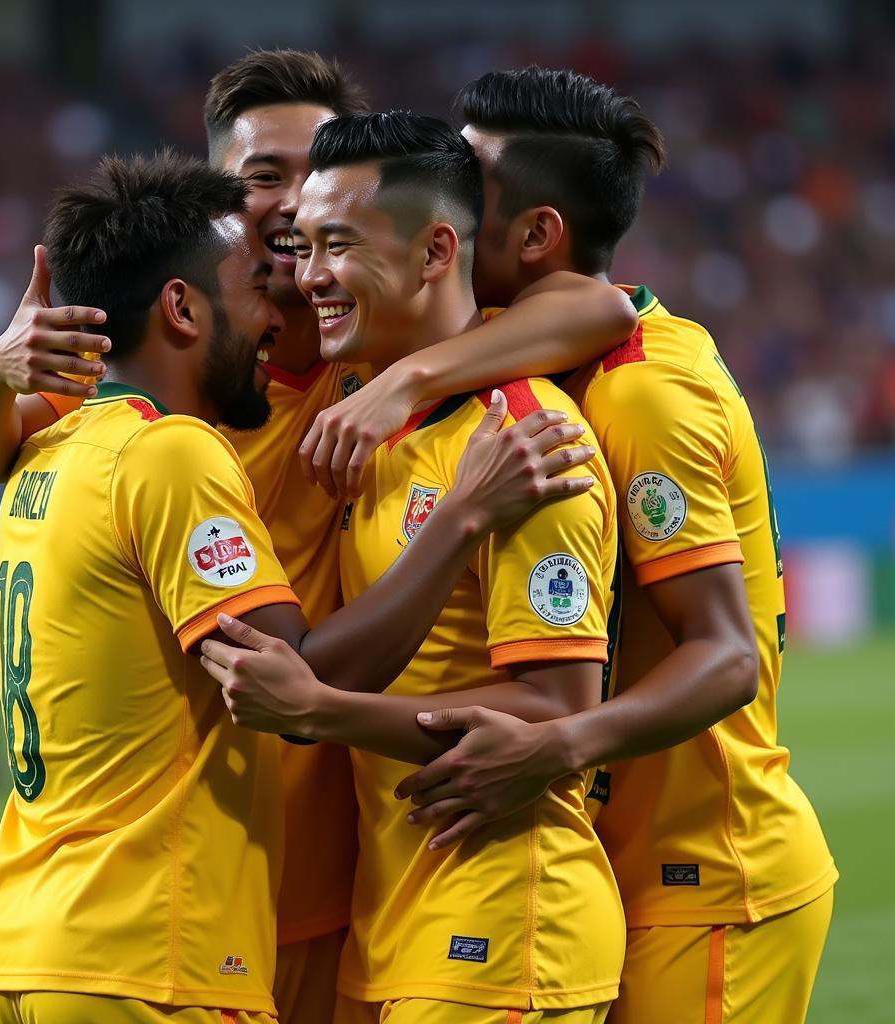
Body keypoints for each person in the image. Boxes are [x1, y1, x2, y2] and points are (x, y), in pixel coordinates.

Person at [0, 49, 636, 1024]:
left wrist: (411, 380)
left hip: (339, 890)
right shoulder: (167, 399)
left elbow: (599, 303)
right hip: (191, 908)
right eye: (264, 175)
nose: (289, 205)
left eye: (312, 179)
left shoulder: (377, 372)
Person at [382, 68, 837, 1024]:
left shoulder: (643, 392)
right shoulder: (538, 353)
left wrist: (557, 743)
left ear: (538, 235)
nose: (443, 210)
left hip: (706, 873)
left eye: (470, 191)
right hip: (615, 863)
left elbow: (725, 656)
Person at [198, 111, 625, 1024]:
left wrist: (324, 713)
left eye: (337, 246)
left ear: (437, 251)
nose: (309, 276)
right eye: (303, 247)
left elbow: (555, 710)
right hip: (391, 920)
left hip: (502, 920)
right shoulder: (365, 407)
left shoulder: (524, 443)